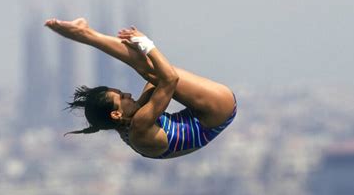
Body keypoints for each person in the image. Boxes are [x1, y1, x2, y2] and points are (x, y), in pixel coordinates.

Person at [45, 18, 237, 159]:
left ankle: (87, 34)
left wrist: (141, 56)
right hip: (217, 110)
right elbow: (170, 79)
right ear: (116, 114)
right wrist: (146, 44)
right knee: (148, 69)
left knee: (147, 69)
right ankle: (86, 34)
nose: (127, 94)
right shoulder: (139, 126)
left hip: (205, 115)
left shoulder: (127, 125)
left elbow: (156, 82)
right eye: (121, 97)